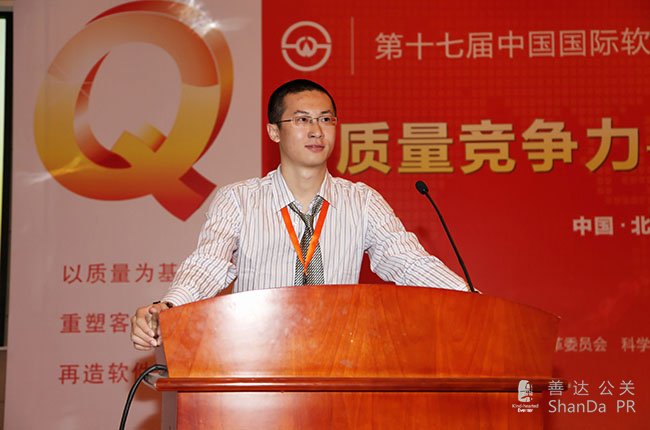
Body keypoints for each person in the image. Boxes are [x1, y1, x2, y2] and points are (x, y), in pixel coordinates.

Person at [130, 79, 468, 351]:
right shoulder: (239, 200)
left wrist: (471, 301)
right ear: (274, 131)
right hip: (256, 358)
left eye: (326, 119)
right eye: (302, 120)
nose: (317, 130)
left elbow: (408, 261)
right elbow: (209, 264)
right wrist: (168, 307)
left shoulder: (362, 201)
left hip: (338, 362)